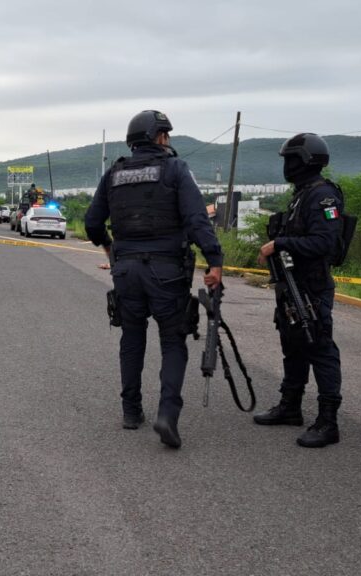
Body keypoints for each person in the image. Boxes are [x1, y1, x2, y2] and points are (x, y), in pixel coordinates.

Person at [84, 110, 223, 449]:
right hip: (167, 271)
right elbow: (196, 220)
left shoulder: (114, 173)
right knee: (173, 341)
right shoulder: (175, 169)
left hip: (127, 270)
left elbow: (91, 223)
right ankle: (167, 415)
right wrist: (214, 260)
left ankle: (131, 412)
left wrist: (109, 249)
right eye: (167, 135)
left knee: (132, 338)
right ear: (159, 137)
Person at [255, 133, 344, 448]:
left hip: (312, 286)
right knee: (293, 345)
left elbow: (324, 242)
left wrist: (279, 243)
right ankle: (290, 405)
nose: (287, 166)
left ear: (306, 160)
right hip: (291, 285)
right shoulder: (302, 194)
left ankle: (328, 421)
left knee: (319, 347)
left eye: (291, 159)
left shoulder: (323, 196)